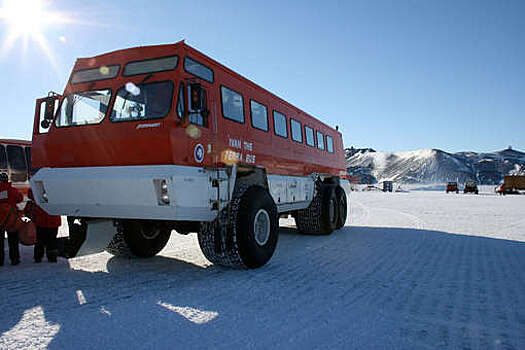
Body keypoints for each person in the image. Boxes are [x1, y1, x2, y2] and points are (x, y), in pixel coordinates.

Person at [25, 189, 62, 263]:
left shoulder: (35, 188)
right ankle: (52, 257)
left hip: (40, 219)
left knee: (39, 240)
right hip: (53, 219)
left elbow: (30, 195)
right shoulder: (55, 188)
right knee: (52, 240)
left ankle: (38, 257)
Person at [0, 172, 22, 266]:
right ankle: (14, 259)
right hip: (11, 219)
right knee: (13, 240)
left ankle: (0, 261)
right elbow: (19, 199)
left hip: (0, 220)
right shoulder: (12, 190)